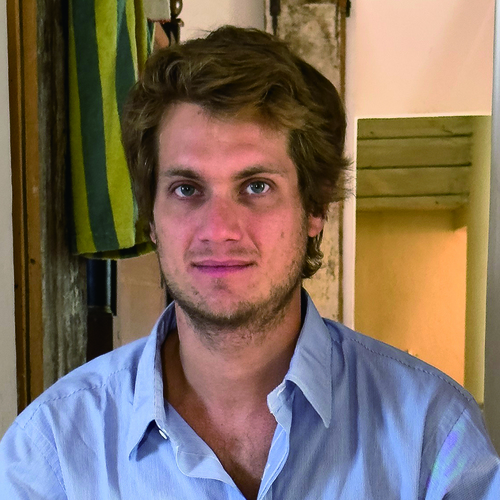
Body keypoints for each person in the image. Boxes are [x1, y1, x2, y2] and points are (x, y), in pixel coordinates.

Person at [0, 26, 499, 500]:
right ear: (150, 218)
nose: (219, 229)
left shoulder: (432, 433)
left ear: (314, 209)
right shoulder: (52, 451)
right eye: (186, 189)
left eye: (257, 186)